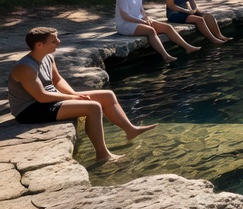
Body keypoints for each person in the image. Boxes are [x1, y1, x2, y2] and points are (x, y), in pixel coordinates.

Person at [8, 28, 156, 163]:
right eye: (54, 41)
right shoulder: (25, 67)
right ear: (39, 45)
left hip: (48, 100)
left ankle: (130, 130)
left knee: (107, 95)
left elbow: (57, 79)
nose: (58, 42)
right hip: (30, 110)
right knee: (93, 107)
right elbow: (41, 97)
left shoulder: (48, 57)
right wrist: (72, 98)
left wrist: (73, 94)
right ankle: (103, 155)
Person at [116, 0, 200, 62]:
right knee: (150, 30)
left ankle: (188, 47)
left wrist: (146, 19)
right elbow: (125, 16)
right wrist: (143, 22)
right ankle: (165, 56)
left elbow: (141, 9)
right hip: (125, 24)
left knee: (168, 27)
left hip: (138, 21)